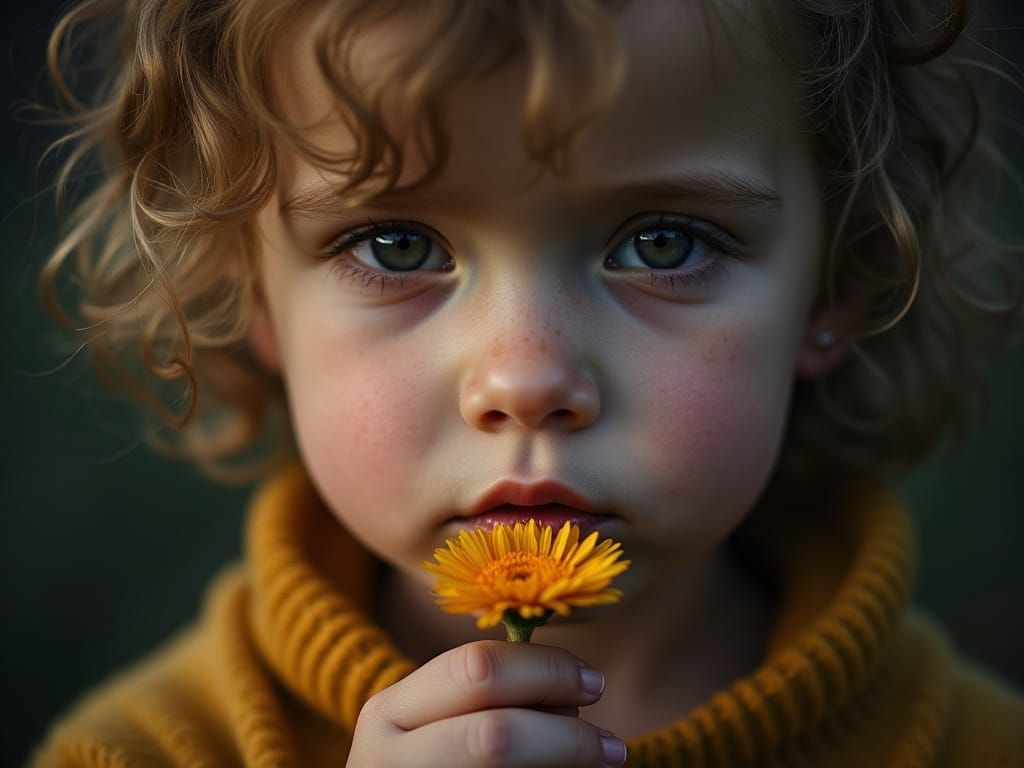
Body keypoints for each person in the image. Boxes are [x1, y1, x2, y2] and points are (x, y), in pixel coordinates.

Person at [26, 0, 1024, 765]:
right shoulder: (146, 749)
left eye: (662, 243)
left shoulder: (970, 746)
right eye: (395, 242)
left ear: (835, 285)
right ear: (249, 295)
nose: (525, 376)